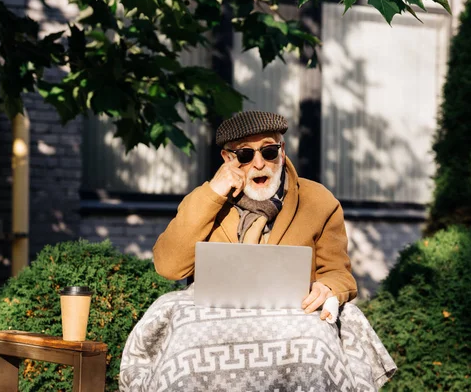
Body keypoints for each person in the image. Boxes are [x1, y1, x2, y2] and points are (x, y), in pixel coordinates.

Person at [153, 110, 357, 319]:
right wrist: (213, 193)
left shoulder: (318, 200)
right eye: (245, 154)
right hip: (217, 322)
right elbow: (168, 267)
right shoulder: (204, 200)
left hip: (292, 322)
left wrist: (328, 288)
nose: (259, 164)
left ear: (282, 151)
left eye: (269, 151)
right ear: (227, 158)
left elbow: (339, 273)